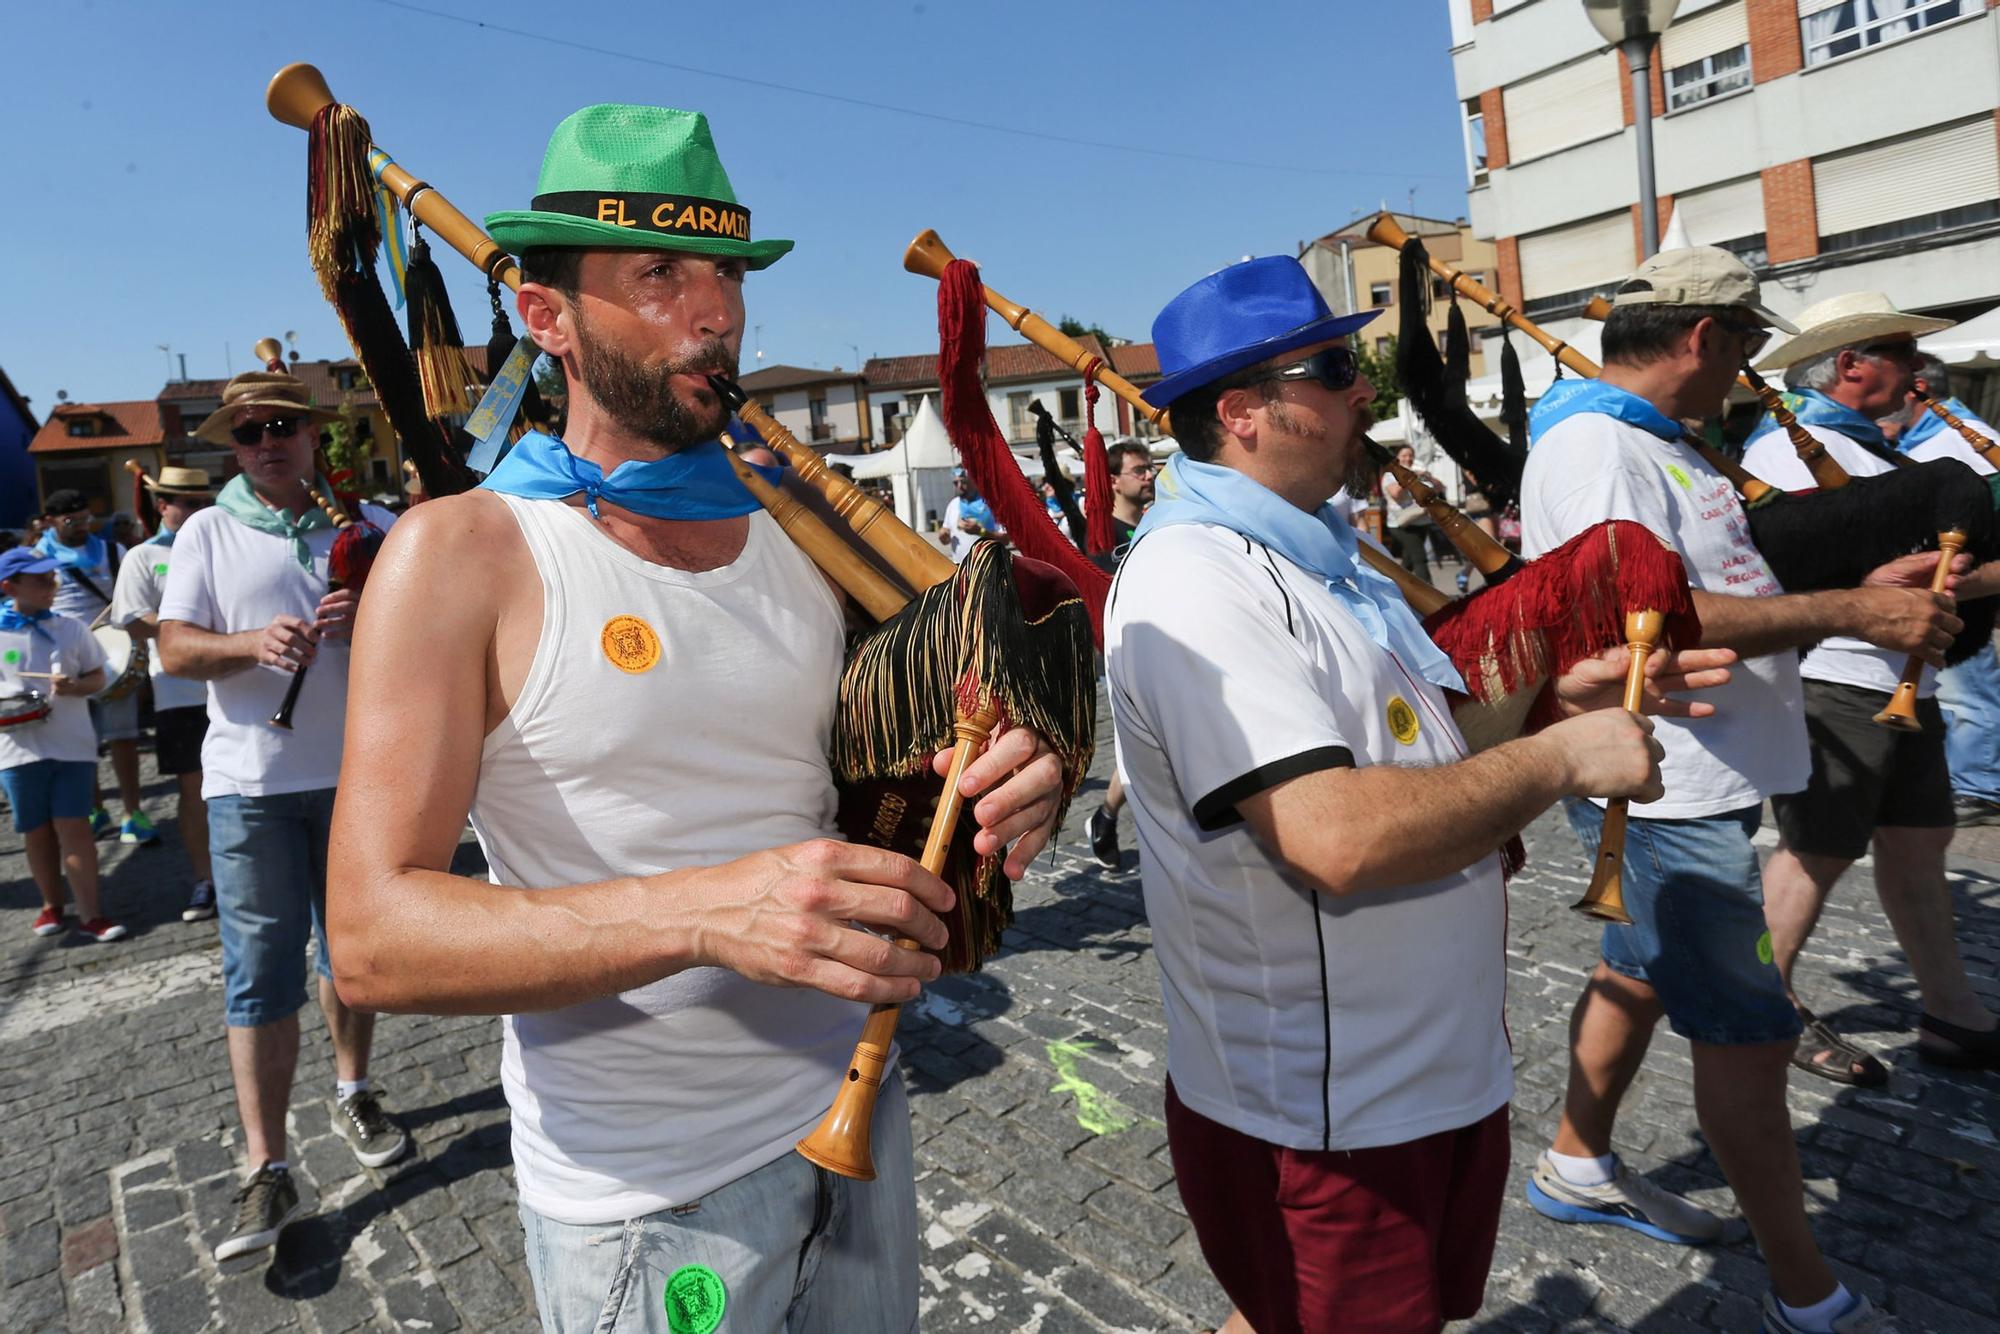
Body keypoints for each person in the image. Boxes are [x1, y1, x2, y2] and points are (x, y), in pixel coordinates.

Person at [322, 103, 1067, 1333]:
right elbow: (372, 936)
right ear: (543, 315)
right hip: (644, 1196)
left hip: (858, 1112)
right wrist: (709, 910)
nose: (713, 309)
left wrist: (998, 776)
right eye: (659, 272)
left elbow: (873, 780)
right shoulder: (464, 551)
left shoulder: (800, 535)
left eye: (723, 272)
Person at [1108, 255, 1725, 1334]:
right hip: (1328, 1108)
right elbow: (1332, 834)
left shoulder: (1317, 559)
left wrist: (1551, 703)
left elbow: (1406, 749)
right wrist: (1561, 761)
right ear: (1242, 411)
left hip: (1413, 1074)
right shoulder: (1198, 576)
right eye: (1336, 366)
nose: (1363, 391)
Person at [1520, 248, 1958, 1334]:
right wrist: (1849, 616)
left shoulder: (1647, 444)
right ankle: (1808, 1294)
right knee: (1750, 1038)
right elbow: (1645, 621)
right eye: (1744, 348)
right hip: (1660, 785)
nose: (1748, 373)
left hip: (1690, 777)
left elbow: (1707, 585)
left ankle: (1575, 1163)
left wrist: (1845, 589)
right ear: (1703, 338)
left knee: (1633, 973)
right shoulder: (1598, 449)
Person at [158, 370, 407, 1264]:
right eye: (248, 431)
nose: (266, 441)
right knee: (259, 976)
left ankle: (355, 1088)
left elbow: (426, 626)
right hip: (249, 786)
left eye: (282, 426)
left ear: (311, 436)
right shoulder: (207, 532)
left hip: (356, 780)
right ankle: (267, 1165)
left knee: (353, 959)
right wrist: (248, 644)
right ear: (232, 446)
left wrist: (372, 613)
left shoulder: (366, 527)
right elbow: (176, 647)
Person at [1740, 295, 2000, 1081]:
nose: (1917, 368)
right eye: (1898, 351)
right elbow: (1796, 579)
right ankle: (1758, 1003)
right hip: (1838, 681)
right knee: (1814, 851)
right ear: (1849, 365)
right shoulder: (1797, 451)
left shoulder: (1872, 449)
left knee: (1919, 846)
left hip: (1902, 678)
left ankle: (1954, 1013)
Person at [1894, 356, 2000, 829]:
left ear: (1916, 389)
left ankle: (1979, 786)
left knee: (1969, 689)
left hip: (1964, 590)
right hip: (1944, 586)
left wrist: (1962, 581)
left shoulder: (1966, 441)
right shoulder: (1931, 439)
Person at [110, 467, 220, 922]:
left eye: (202, 502)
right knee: (193, 790)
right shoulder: (143, 556)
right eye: (187, 503)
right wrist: (193, 629)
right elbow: (131, 617)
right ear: (162, 506)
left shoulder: (221, 543)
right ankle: (205, 880)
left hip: (233, 681)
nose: (196, 511)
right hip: (179, 692)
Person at [0, 547, 125, 941]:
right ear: (9, 586)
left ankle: (91, 914)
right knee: (35, 830)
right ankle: (50, 905)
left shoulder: (71, 627)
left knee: (75, 827)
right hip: (16, 749)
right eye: (39, 580)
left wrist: (75, 687)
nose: (50, 585)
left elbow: (99, 678)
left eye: (52, 578)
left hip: (72, 744)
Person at [36, 489, 157, 845]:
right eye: (72, 521)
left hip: (111, 656)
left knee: (124, 739)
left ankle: (132, 813)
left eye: (87, 519)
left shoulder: (111, 551)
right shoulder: (39, 558)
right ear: (50, 521)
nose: (82, 527)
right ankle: (95, 809)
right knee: (81, 741)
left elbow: (130, 601)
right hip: (65, 660)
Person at [1083, 440, 1158, 868]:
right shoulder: (1100, 536)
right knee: (1146, 747)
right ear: (1113, 480)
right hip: (1125, 652)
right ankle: (1108, 817)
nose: (1148, 475)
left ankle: (1106, 816)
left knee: (1149, 748)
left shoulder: (1157, 522)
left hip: (1167, 647)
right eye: (1138, 470)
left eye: (1150, 468)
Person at [1381, 444, 1436, 583]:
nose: (1408, 458)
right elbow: (1395, 494)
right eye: (1404, 455)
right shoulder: (1390, 476)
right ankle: (1430, 593)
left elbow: (1438, 488)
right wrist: (1410, 477)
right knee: (1419, 557)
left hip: (1421, 520)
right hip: (1402, 523)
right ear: (1397, 458)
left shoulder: (1420, 473)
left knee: (1409, 560)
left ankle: (1397, 586)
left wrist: (1429, 477)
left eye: (1410, 455)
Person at [940, 466, 1002, 561]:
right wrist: (943, 536)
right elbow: (946, 538)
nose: (959, 486)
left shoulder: (991, 504)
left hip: (987, 568)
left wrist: (981, 531)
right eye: (956, 483)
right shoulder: (953, 504)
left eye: (964, 482)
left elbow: (1005, 540)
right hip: (960, 569)